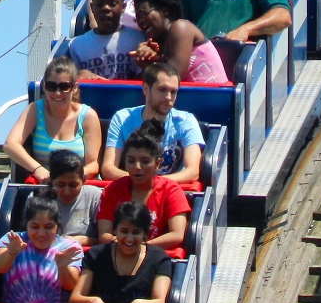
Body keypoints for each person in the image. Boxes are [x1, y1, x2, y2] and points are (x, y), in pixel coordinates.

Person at [69, 201, 173, 303]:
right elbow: (75, 300)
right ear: (115, 230)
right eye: (124, 231)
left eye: (136, 232)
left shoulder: (159, 259)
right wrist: (93, 302)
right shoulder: (95, 255)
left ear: (145, 234)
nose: (129, 238)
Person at [97, 118, 191, 251]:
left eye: (145, 161)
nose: (137, 167)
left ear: (157, 163)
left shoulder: (171, 190)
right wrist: (127, 245)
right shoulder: (112, 190)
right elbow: (104, 235)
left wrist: (140, 247)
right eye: (131, 161)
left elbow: (177, 235)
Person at [102, 62, 205, 183]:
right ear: (146, 89)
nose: (168, 97)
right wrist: (143, 182)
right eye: (162, 90)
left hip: (170, 192)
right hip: (130, 193)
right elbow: (108, 169)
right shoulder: (122, 118)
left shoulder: (186, 121)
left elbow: (192, 172)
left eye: (173, 92)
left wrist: (151, 182)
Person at [4, 57, 102, 182]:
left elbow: (93, 165)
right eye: (51, 86)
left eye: (64, 87)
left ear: (75, 87)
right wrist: (37, 169)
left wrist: (67, 178)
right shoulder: (35, 110)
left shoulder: (88, 115)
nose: (57, 93)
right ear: (44, 87)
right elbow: (10, 145)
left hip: (78, 186)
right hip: (45, 187)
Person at [0, 189, 83, 303]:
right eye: (35, 227)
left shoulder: (69, 247)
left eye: (48, 227)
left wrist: (63, 267)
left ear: (57, 226)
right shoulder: (13, 239)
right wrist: (11, 252)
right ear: (27, 224)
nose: (41, 234)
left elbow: (70, 285)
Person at [132, 0, 228, 84]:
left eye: (143, 14)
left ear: (165, 11)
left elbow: (171, 78)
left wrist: (149, 66)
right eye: (137, 17)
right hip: (189, 97)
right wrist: (146, 61)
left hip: (215, 95)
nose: (140, 21)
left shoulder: (181, 28)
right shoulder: (157, 43)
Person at [68, 0, 145, 81]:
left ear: (123, 7)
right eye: (100, 4)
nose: (106, 8)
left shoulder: (137, 39)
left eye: (112, 4)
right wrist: (79, 75)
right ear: (92, 8)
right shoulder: (77, 45)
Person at [48, 149, 101, 246]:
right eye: (60, 185)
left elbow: (104, 239)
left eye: (73, 185)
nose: (67, 192)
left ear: (84, 180)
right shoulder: (39, 198)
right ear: (51, 181)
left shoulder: (95, 197)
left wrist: (80, 241)